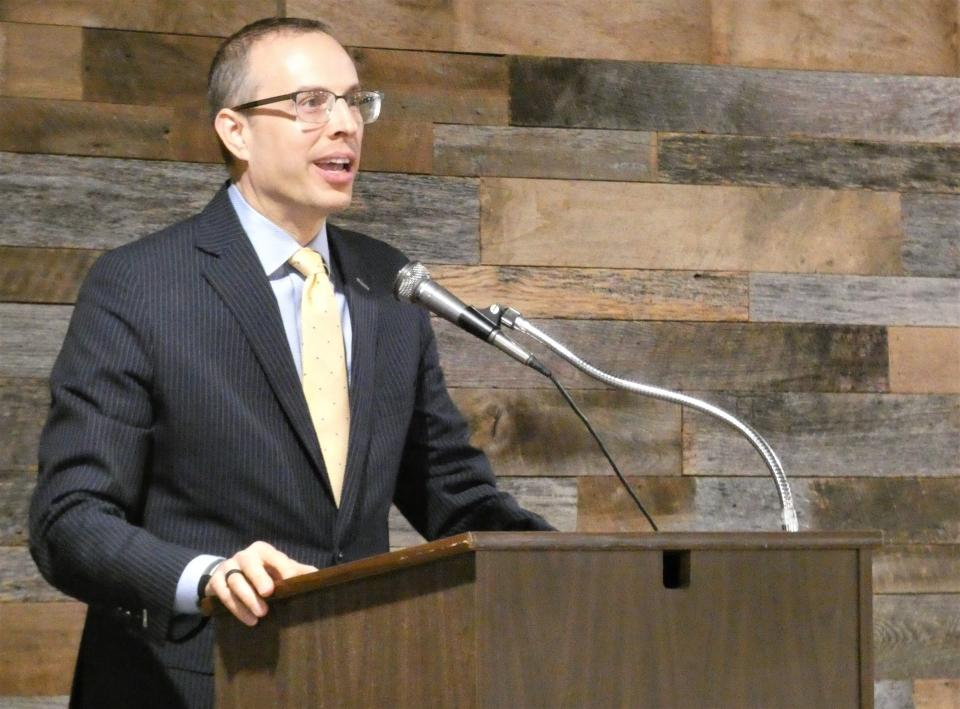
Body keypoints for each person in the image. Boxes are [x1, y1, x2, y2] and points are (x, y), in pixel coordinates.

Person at [29, 16, 552, 709]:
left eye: (355, 101)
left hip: (353, 678)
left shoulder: (387, 284)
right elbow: (68, 519)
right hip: (191, 681)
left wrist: (562, 564)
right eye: (310, 103)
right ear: (234, 130)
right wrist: (208, 575)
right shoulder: (142, 285)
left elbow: (451, 494)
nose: (345, 125)